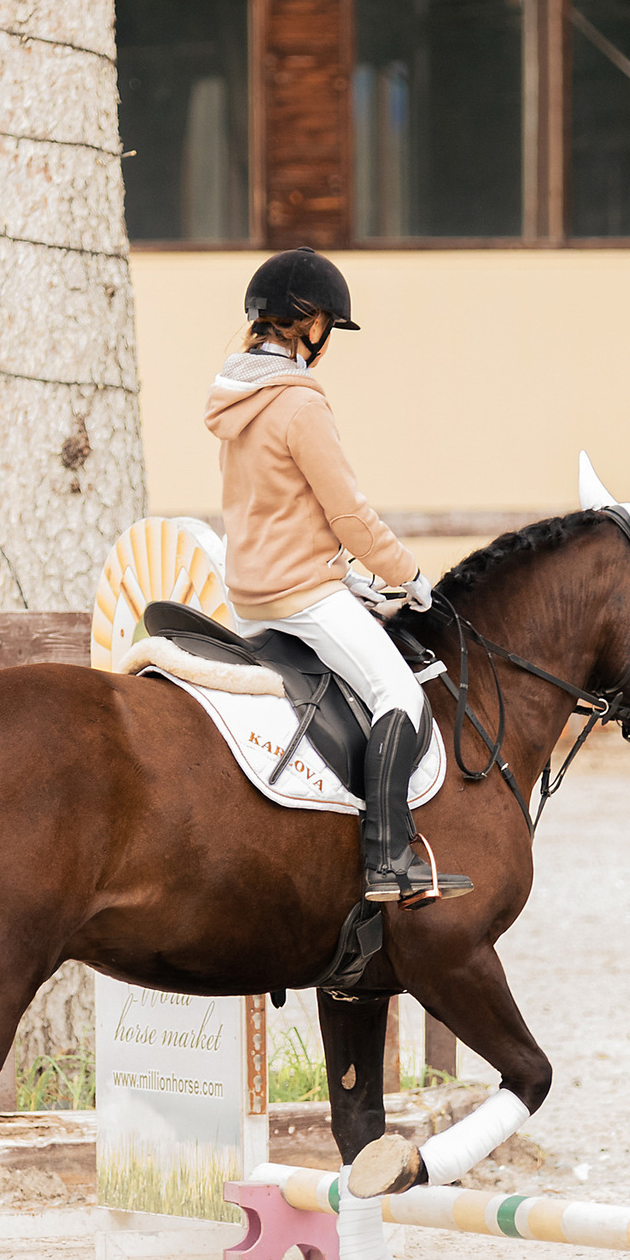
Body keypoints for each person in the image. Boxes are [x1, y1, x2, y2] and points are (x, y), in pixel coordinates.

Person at [204, 248, 469, 904]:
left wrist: (347, 577)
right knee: (400, 695)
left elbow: (274, 506)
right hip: (299, 595)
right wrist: (408, 574)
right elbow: (347, 513)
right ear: (308, 321)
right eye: (325, 322)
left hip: (249, 593)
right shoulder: (299, 404)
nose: (327, 338)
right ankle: (388, 858)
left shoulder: (235, 398)